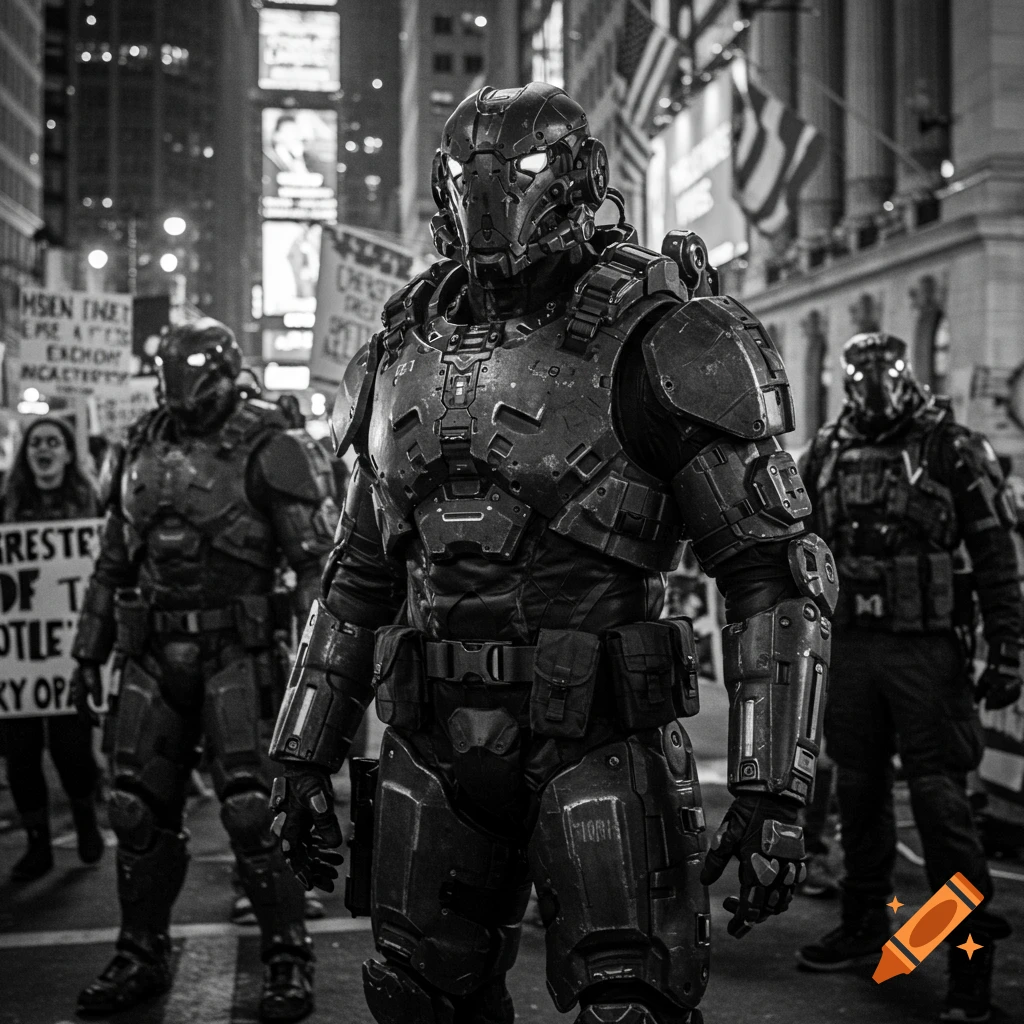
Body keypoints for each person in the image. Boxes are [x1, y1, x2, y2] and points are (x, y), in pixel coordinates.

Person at [266, 82, 837, 1024]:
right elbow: (358, 574)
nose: (491, 196)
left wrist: (775, 785)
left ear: (577, 180)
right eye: (466, 174)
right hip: (432, 740)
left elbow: (775, 573)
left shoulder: (669, 332)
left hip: (597, 736)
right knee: (415, 999)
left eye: (522, 171)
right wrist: (298, 752)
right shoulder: (396, 347)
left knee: (631, 1004)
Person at [69, 319, 337, 1021]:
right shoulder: (140, 443)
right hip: (154, 653)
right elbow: (112, 560)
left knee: (255, 812)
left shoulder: (272, 443)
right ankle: (139, 950)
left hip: (237, 652)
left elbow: (316, 567)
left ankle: (286, 954)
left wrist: (323, 665)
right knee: (134, 808)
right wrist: (85, 654)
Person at [797, 333, 1022, 1022]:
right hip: (856, 650)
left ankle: (968, 968)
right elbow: (797, 541)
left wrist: (1008, 645)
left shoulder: (950, 446)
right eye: (856, 369)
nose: (869, 382)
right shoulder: (829, 450)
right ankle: (869, 927)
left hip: (927, 654)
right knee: (858, 798)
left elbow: (994, 551)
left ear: (904, 372)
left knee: (940, 808)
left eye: (880, 369)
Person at [0, 416, 104, 881]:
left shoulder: (89, 503)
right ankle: (38, 844)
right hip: (16, 660)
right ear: (27, 454)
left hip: (69, 654)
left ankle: (85, 822)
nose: (44, 449)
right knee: (20, 757)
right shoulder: (6, 503)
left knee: (72, 751)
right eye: (36, 442)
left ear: (66, 452)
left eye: (53, 442)